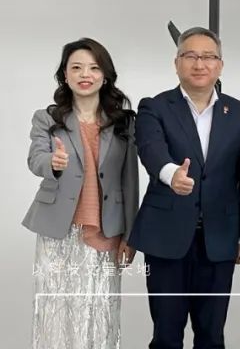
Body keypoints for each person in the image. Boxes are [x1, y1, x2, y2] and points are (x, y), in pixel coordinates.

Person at [127, 26, 240, 349]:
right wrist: (171, 174)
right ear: (177, 63)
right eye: (190, 56)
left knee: (211, 336)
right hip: (166, 237)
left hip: (220, 239)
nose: (199, 64)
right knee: (166, 335)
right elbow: (151, 149)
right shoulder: (154, 107)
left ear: (220, 65)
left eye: (208, 57)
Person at [23, 38, 139, 349]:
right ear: (65, 74)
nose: (85, 74)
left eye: (93, 67)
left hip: (107, 229)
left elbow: (130, 181)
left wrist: (130, 235)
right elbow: (36, 158)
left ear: (105, 75)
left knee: (100, 314)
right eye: (76, 67)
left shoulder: (124, 123)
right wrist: (53, 162)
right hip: (58, 230)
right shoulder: (47, 117)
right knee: (55, 312)